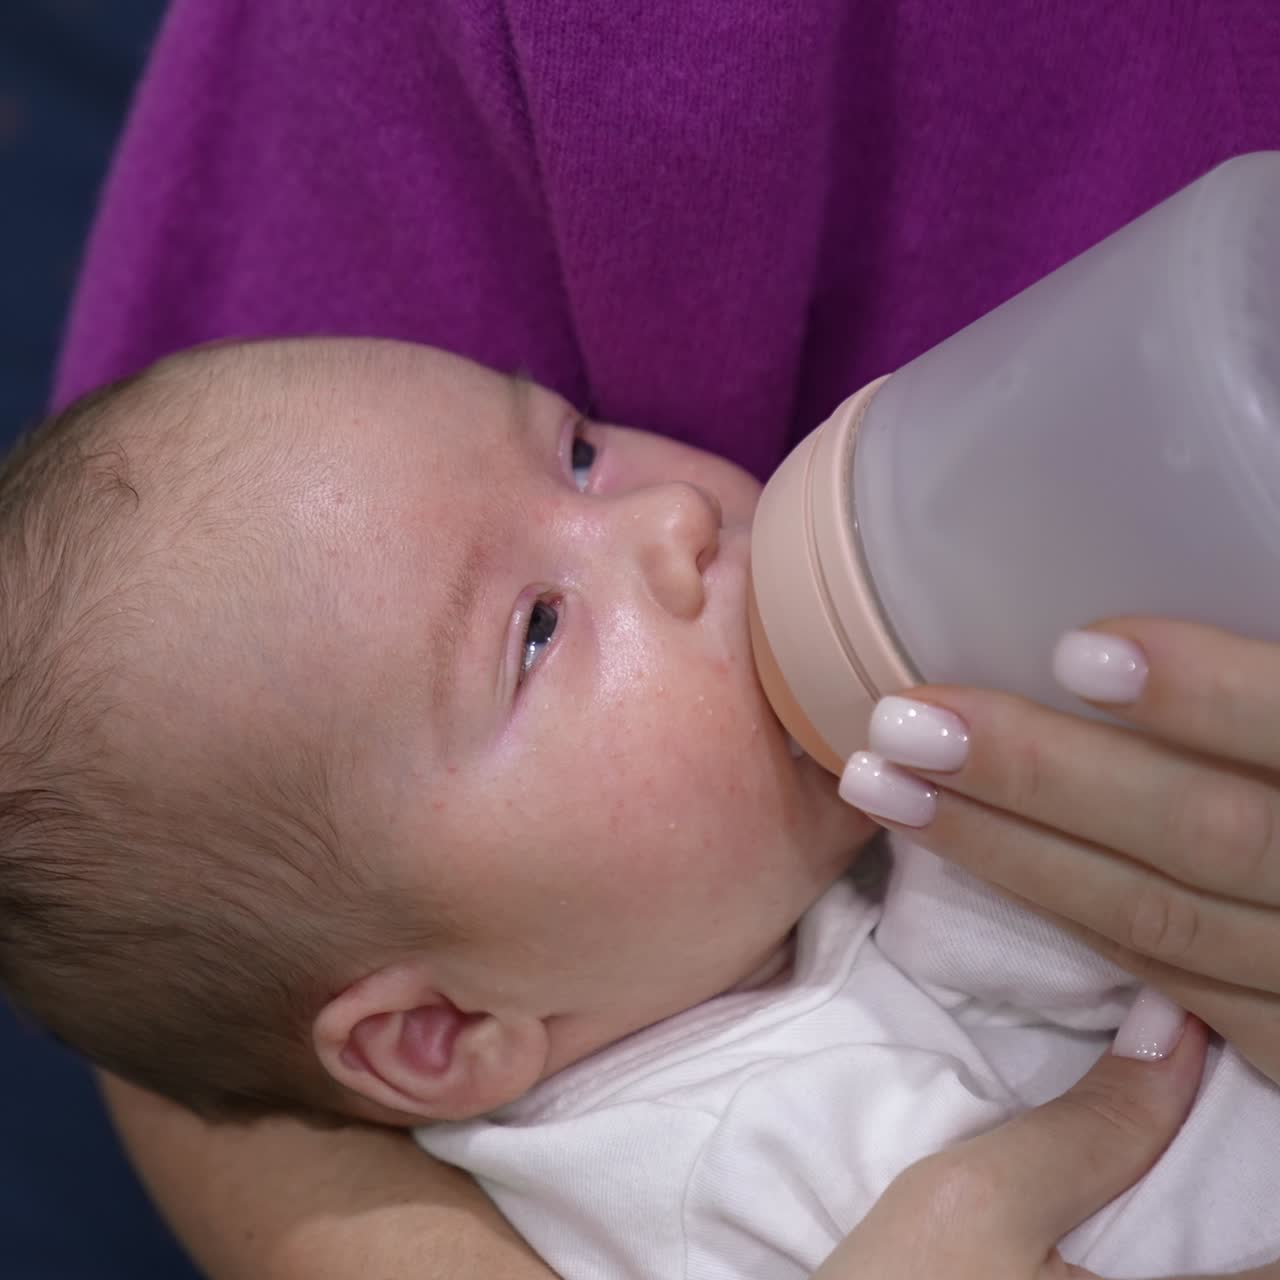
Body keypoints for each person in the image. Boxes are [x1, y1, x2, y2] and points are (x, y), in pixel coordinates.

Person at [48, 0, 1280, 1276]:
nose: (673, 513)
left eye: (578, 451)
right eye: (533, 632)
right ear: (441, 1035)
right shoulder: (751, 1164)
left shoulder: (755, 916)